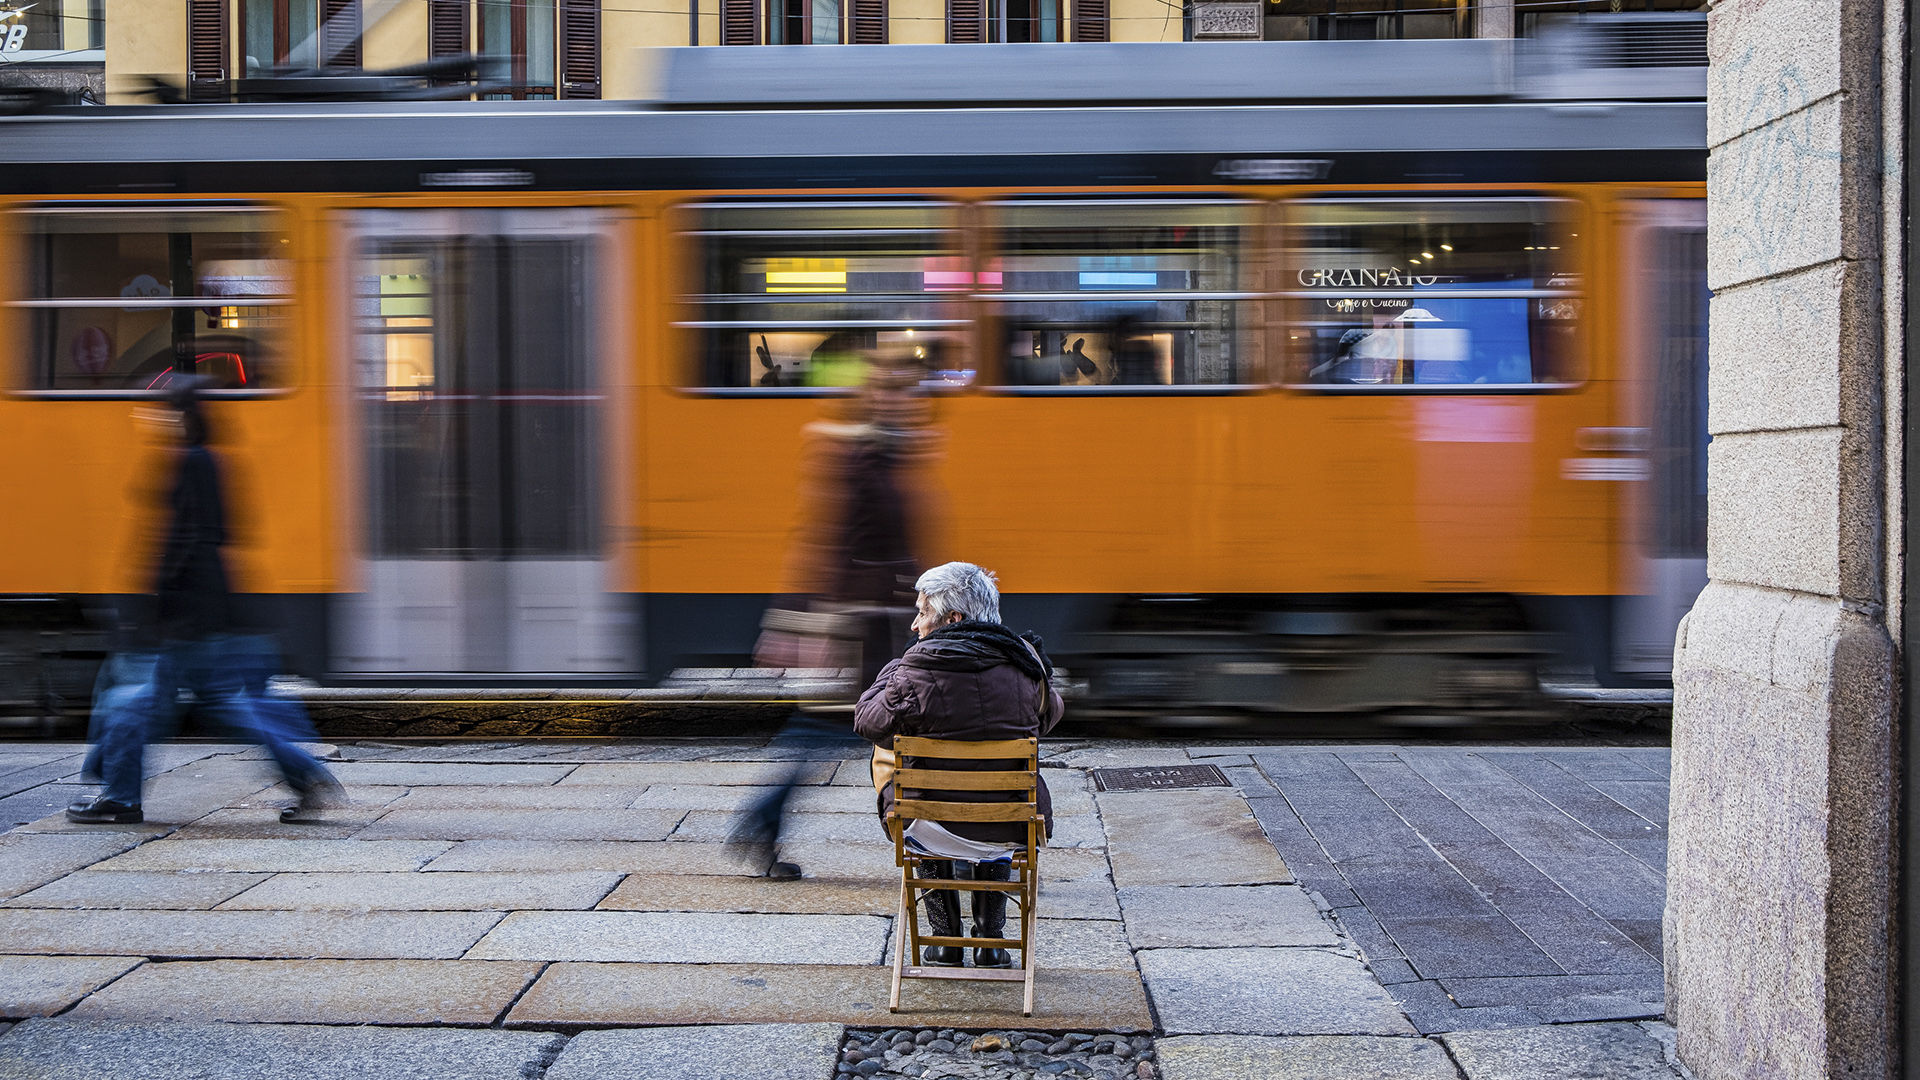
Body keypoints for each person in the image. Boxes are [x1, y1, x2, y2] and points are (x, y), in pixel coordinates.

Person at [67, 379, 342, 825]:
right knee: (220, 704)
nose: (150, 418)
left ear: (179, 415)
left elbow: (179, 541)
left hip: (184, 613)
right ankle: (304, 772)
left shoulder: (188, 461)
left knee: (130, 701)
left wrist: (151, 607)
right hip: (208, 608)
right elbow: (229, 532)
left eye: (159, 410)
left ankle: (119, 797)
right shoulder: (213, 459)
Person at [854, 562, 1064, 968]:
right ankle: (991, 942)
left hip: (928, 827)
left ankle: (944, 939)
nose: (915, 626)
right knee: (1003, 793)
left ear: (952, 619)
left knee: (888, 756)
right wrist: (1035, 664)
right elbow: (1048, 716)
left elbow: (868, 722)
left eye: (922, 613)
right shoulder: (1026, 668)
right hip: (1011, 826)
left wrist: (893, 670)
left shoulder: (912, 670)